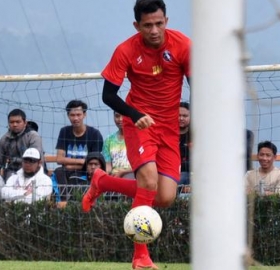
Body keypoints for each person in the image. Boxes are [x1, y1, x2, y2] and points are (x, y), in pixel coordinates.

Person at [82, 1, 191, 268]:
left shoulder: (184, 45)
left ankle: (103, 182)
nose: (154, 30)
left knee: (165, 197)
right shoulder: (126, 50)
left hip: (168, 128)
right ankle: (140, 256)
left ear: (166, 20)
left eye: (159, 23)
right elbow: (109, 95)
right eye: (147, 25)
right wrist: (134, 114)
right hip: (139, 124)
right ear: (137, 26)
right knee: (149, 181)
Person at [53, 100, 104, 208]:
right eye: (72, 115)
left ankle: (71, 203)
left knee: (80, 176)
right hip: (67, 172)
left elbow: (94, 162)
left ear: (84, 114)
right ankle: (63, 200)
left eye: (78, 114)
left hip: (86, 172)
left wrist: (70, 164)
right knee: (58, 171)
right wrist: (82, 161)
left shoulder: (94, 134)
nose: (75, 118)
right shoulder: (64, 131)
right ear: (68, 116)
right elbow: (59, 159)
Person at [0, 109, 44, 181]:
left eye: (18, 122)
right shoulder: (5, 139)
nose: (15, 124)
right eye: (12, 122)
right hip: (11, 173)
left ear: (25, 123)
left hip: (32, 172)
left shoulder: (33, 136)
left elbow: (34, 159)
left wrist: (15, 160)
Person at [103, 111, 134, 178]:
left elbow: (140, 165)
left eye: (124, 116)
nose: (120, 119)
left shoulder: (136, 138)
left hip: (133, 176)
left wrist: (122, 172)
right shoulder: (109, 139)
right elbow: (108, 164)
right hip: (114, 177)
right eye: (117, 116)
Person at [178, 102, 191, 188]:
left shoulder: (197, 135)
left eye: (185, 116)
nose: (181, 118)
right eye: (179, 115)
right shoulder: (168, 135)